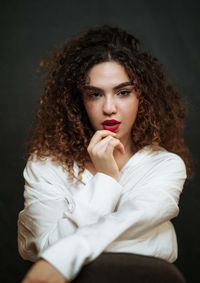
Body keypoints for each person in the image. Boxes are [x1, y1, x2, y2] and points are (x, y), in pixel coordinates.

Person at [18, 25, 191, 283]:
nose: (109, 107)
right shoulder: (46, 165)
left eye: (123, 92)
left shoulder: (164, 165)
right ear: (79, 101)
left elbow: (53, 260)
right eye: (95, 94)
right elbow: (45, 247)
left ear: (141, 97)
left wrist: (65, 255)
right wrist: (107, 178)